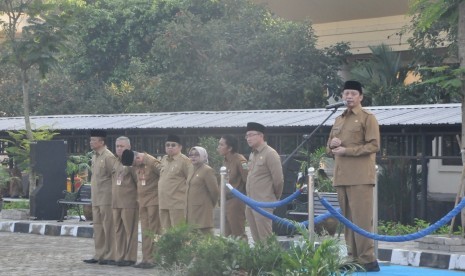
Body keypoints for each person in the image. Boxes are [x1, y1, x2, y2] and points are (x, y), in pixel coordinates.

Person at [327, 80, 380, 272]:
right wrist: (332, 145)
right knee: (347, 220)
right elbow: (329, 148)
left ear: (360, 97)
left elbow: (374, 145)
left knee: (362, 219)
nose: (348, 97)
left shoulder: (367, 117)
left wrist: (347, 150)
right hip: (342, 176)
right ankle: (352, 257)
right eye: (346, 93)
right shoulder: (339, 118)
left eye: (352, 93)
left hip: (360, 177)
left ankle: (367, 259)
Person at [122, 149, 161, 269]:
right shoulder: (137, 165)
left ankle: (155, 259)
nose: (134, 167)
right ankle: (146, 258)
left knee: (155, 231)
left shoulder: (152, 162)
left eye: (134, 164)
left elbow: (163, 175)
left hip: (154, 201)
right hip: (143, 202)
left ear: (138, 158)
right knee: (145, 231)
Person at [244, 122, 284, 242]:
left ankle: (269, 261)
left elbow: (278, 180)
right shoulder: (253, 154)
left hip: (264, 202)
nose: (248, 138)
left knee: (265, 238)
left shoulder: (270, 153)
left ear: (261, 136)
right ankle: (259, 260)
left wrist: (274, 198)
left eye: (251, 135)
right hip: (250, 201)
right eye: (247, 136)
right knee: (256, 239)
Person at [84, 130, 117, 265]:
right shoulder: (94, 156)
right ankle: (99, 254)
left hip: (107, 198)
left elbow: (114, 177)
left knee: (108, 226)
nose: (91, 142)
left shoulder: (108, 156)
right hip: (96, 197)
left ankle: (111, 255)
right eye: (91, 140)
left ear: (102, 142)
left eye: (94, 140)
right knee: (98, 227)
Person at [112, 136, 139, 267]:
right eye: (117, 146)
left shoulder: (132, 162)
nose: (119, 148)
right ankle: (120, 256)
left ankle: (131, 257)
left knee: (130, 231)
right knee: (118, 231)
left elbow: (139, 182)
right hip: (116, 202)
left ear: (129, 147)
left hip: (129, 202)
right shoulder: (116, 161)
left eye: (122, 146)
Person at [158, 134, 193, 232]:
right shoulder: (164, 159)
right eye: (167, 145)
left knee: (178, 234)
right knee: (166, 234)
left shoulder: (185, 161)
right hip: (163, 203)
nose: (170, 147)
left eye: (173, 145)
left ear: (180, 147)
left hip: (177, 204)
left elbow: (190, 181)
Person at [217, 135, 248, 240]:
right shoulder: (225, 161)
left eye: (221, 145)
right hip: (225, 201)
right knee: (225, 234)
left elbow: (247, 180)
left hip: (236, 201)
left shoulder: (240, 160)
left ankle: (243, 255)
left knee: (238, 232)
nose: (219, 147)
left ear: (230, 148)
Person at [185, 146, 220, 234]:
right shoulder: (191, 169)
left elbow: (214, 192)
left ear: (203, 156)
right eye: (191, 155)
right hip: (191, 210)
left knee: (205, 237)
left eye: (196, 155)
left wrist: (209, 205)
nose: (193, 157)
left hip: (203, 210)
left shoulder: (207, 170)